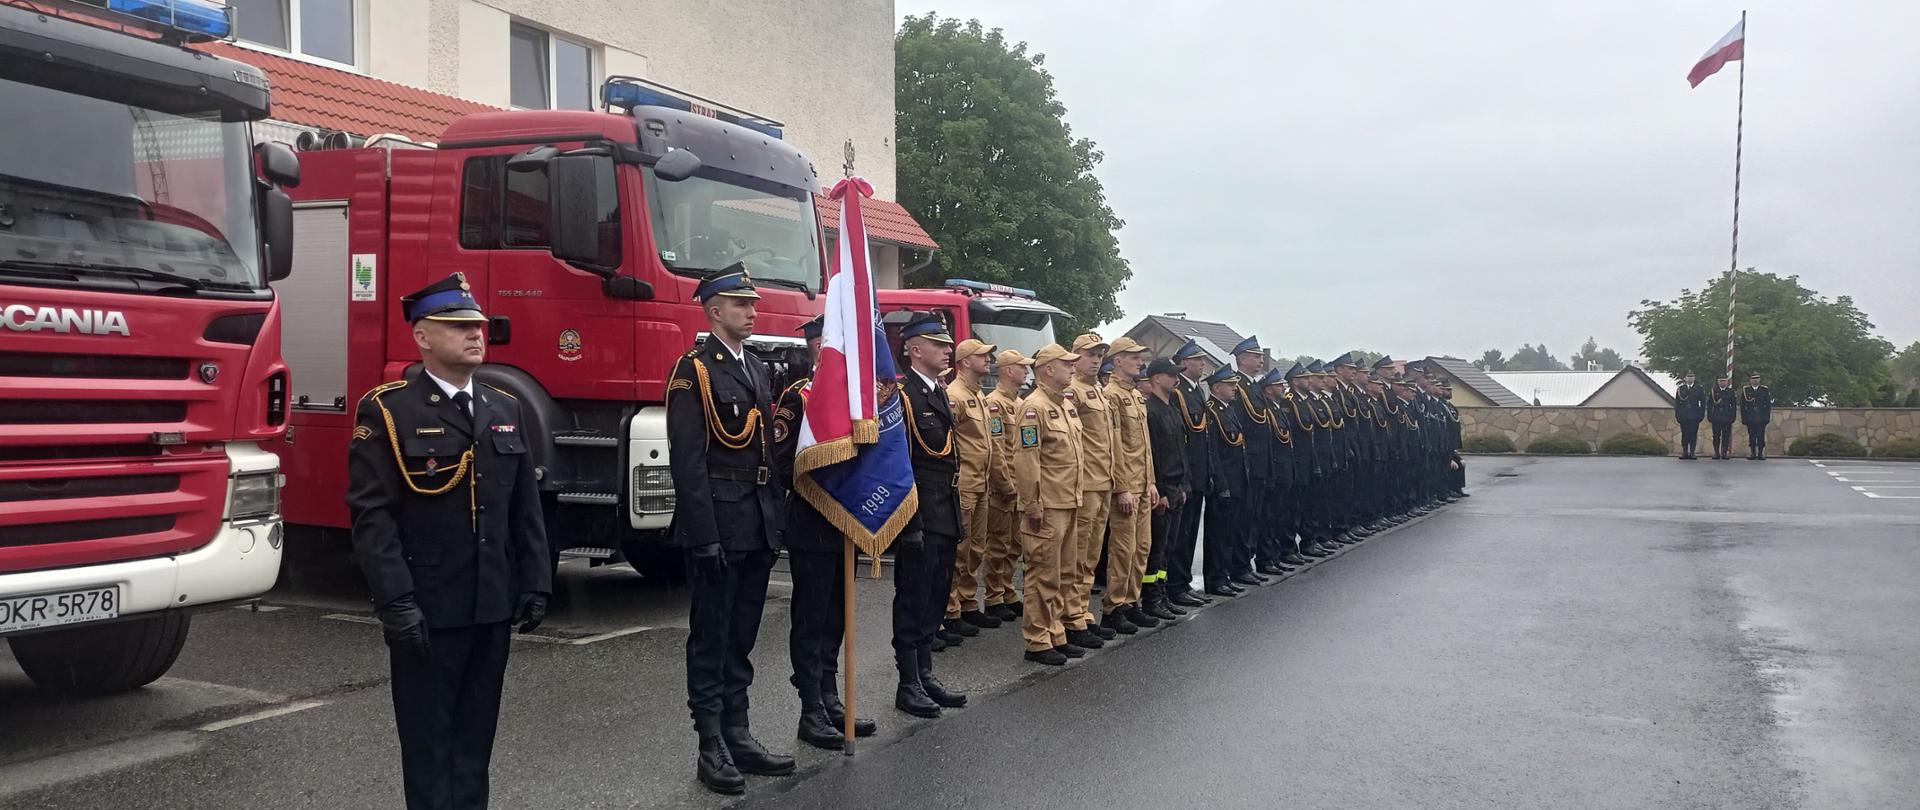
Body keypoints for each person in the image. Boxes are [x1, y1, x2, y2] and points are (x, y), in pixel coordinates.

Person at [346, 272, 552, 810]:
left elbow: (523, 507)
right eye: (457, 326)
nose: (474, 335)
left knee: (474, 745)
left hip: (490, 606)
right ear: (422, 336)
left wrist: (535, 581)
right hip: (429, 609)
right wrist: (395, 600)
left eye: (478, 325)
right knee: (429, 746)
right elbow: (372, 516)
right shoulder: (389, 411)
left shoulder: (503, 408)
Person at [665, 267, 792, 795]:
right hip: (719, 517)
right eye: (741, 303)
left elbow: (766, 449)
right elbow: (687, 460)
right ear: (714, 310)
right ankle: (710, 742)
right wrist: (703, 534)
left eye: (752, 302)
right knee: (712, 636)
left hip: (757, 518)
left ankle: (738, 731)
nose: (752, 309)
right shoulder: (693, 371)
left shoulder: (757, 370)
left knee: (742, 635)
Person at [771, 316, 876, 752]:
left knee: (836, 616)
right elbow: (780, 460)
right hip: (812, 524)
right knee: (811, 618)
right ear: (820, 348)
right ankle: (810, 707)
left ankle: (831, 697)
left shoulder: (854, 399)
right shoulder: (800, 397)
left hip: (844, 523)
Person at [894, 313, 970, 716]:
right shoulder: (903, 394)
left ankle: (925, 673)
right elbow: (899, 463)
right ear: (915, 349)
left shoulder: (937, 391)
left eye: (947, 344)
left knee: (936, 595)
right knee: (913, 596)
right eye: (939, 344)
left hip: (945, 508)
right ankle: (907, 682)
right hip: (920, 510)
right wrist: (910, 522)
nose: (948, 350)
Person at [1014, 343, 1087, 665]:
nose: (1073, 368)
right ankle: (1038, 639)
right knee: (1043, 573)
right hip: (1047, 505)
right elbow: (1027, 461)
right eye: (1066, 364)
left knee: (1064, 573)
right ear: (1047, 369)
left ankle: (1056, 632)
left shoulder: (1065, 406)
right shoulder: (1034, 408)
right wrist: (1032, 504)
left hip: (1070, 501)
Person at [943, 338, 1005, 638]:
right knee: (960, 548)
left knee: (977, 548)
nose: (988, 360)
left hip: (981, 483)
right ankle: (951, 609)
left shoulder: (978, 396)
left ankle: (967, 603)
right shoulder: (954, 395)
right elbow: (947, 439)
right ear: (965, 361)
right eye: (982, 356)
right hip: (965, 483)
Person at [1100, 337, 1159, 634]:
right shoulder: (1111, 395)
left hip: (1142, 484)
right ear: (1117, 361)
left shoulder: (1135, 395)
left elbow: (1144, 446)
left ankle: (1131, 601)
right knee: (1122, 549)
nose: (1139, 361)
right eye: (1133, 357)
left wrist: (1150, 482)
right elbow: (1116, 446)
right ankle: (1114, 606)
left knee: (1140, 548)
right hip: (1126, 487)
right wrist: (1122, 486)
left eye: (1139, 357)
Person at [1064, 333, 1118, 650]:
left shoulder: (1096, 391)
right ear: (1075, 358)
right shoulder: (1073, 392)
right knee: (1079, 556)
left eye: (1099, 354)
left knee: (1091, 557)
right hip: (1085, 485)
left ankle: (1082, 613)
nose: (1096, 359)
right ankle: (1073, 618)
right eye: (1089, 354)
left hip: (1103, 482)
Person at [980, 349, 1032, 623]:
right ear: (1008, 370)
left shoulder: (1019, 402)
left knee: (1014, 543)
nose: (1026, 371)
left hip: (1020, 486)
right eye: (1021, 367)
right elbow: (996, 449)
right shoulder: (995, 404)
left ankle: (1008, 591)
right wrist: (1005, 483)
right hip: (1004, 487)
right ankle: (993, 596)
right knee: (997, 543)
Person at [1141, 358, 1191, 622]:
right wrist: (1159, 490)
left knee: (1168, 547)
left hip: (1176, 486)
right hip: (1162, 487)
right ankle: (1150, 599)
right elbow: (1153, 455)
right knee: (1156, 548)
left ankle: (1162, 594)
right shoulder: (1150, 410)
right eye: (1171, 374)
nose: (1176, 379)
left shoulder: (1171, 408)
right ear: (1156, 378)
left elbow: (1180, 450)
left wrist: (1183, 485)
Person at [1165, 342, 1215, 608]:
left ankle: (1182, 582)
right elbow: (1180, 439)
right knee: (1181, 534)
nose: (1202, 364)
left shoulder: (1195, 391)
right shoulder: (1178, 392)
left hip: (1198, 473)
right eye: (1197, 360)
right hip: (1185, 474)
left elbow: (1202, 437)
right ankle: (1175, 584)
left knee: (1190, 531)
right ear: (1183, 362)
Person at [1202, 365, 1250, 598]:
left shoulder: (1229, 409)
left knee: (1231, 531)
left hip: (1237, 479)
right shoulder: (1211, 411)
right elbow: (1213, 452)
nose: (1234, 389)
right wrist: (1221, 484)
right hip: (1224, 483)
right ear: (1217, 387)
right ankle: (1215, 578)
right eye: (1230, 385)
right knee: (1218, 534)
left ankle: (1225, 574)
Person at [1740, 372, 1773, 460]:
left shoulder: (1764, 390)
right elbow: (1743, 406)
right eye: (1753, 379)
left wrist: (1767, 417)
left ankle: (1761, 453)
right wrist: (1744, 418)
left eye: (1757, 378)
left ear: (1759, 380)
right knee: (1752, 435)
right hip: (1750, 417)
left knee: (1761, 435)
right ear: (1750, 380)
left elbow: (1768, 405)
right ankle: (1753, 453)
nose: (1755, 380)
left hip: (1761, 417)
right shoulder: (1746, 390)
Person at [1673, 371, 1706, 460]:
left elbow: (1703, 403)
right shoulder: (1681, 389)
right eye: (1688, 376)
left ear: (1694, 378)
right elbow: (1677, 404)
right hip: (1684, 416)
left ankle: (1692, 452)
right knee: (1684, 434)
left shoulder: (1699, 389)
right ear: (1685, 378)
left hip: (1694, 416)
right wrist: (1678, 415)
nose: (1690, 378)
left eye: (1692, 376)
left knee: (1693, 434)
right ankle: (1684, 452)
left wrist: (1701, 415)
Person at [1707, 375, 1738, 460]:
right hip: (1716, 417)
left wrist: (1733, 416)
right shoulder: (1714, 391)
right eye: (1720, 381)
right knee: (1716, 436)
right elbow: (1709, 405)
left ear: (1727, 382)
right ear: (1718, 382)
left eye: (1724, 381)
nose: (1722, 382)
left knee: (1726, 436)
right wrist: (1710, 416)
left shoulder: (1731, 392)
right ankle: (1716, 453)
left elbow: (1734, 405)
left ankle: (1724, 453)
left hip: (1727, 417)